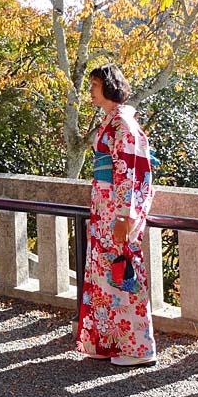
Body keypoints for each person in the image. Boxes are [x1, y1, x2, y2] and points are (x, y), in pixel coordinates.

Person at [76, 64, 158, 367]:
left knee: (123, 275)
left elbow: (130, 171)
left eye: (95, 85)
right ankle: (108, 342)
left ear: (108, 86)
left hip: (117, 209)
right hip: (104, 206)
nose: (91, 91)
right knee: (103, 275)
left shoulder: (123, 123)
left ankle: (139, 348)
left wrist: (126, 215)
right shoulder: (110, 121)